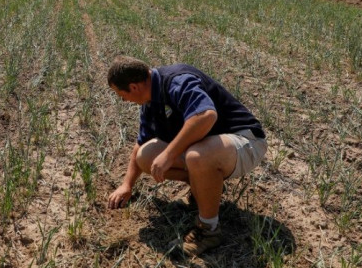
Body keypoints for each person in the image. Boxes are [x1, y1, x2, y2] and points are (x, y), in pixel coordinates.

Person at [107, 55, 267, 256]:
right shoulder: (150, 101)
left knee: (196, 156)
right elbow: (139, 145)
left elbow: (206, 116)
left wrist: (169, 154)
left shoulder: (177, 80)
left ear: (133, 87)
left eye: (121, 95)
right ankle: (204, 189)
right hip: (216, 147)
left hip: (246, 142)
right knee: (145, 155)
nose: (124, 100)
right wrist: (127, 185)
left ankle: (209, 230)